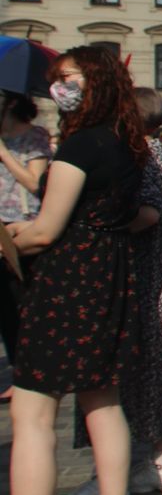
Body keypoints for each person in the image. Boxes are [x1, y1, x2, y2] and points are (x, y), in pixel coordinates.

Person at [6, 46, 152, 495]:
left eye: (69, 79)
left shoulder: (82, 144)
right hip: (107, 272)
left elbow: (48, 227)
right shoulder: (125, 143)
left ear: (95, 82)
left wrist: (10, 240)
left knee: (33, 409)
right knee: (102, 402)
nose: (59, 88)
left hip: (67, 280)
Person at [59, 89, 162, 495]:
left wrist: (92, 225)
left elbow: (147, 212)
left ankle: (111, 479)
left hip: (141, 273)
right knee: (157, 368)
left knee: (125, 375)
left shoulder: (139, 155)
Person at [0, 91, 52, 403]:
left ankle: (38, 369)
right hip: (0, 227)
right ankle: (20, 372)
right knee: (5, 306)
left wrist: (5, 155)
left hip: (27, 224)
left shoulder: (35, 137)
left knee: (27, 301)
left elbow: (36, 183)